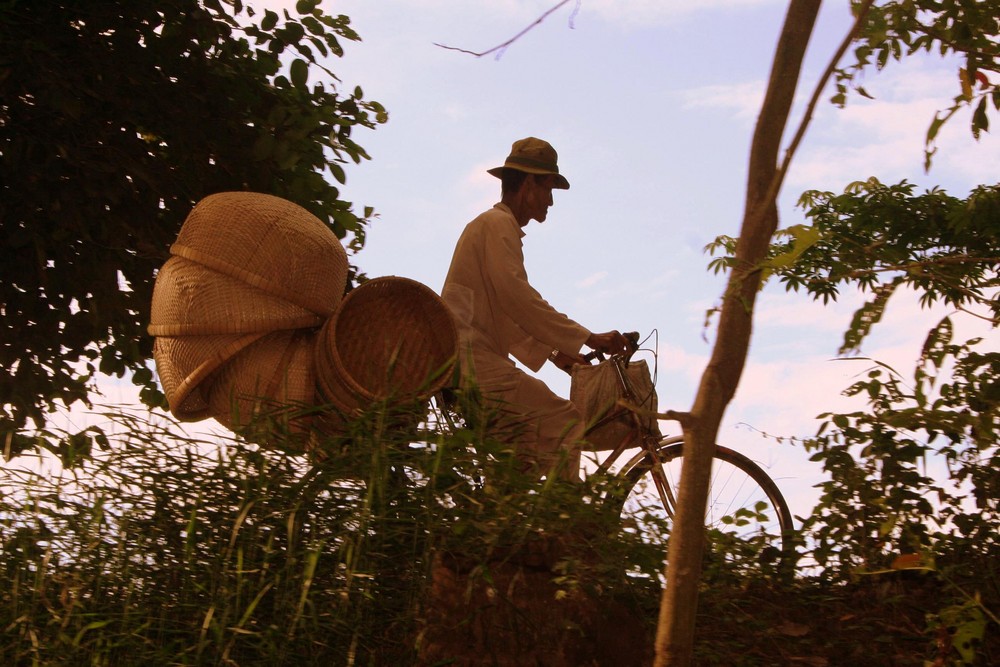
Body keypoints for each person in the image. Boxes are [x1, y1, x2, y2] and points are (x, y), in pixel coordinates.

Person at [441, 137, 628, 478]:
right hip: (474, 364)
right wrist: (588, 338)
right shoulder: (497, 226)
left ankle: (500, 527)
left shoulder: (491, 227)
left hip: (465, 364)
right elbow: (519, 298)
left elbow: (507, 314)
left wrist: (557, 354)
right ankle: (564, 529)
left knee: (524, 455)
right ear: (528, 184)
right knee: (567, 421)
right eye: (548, 189)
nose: (551, 202)